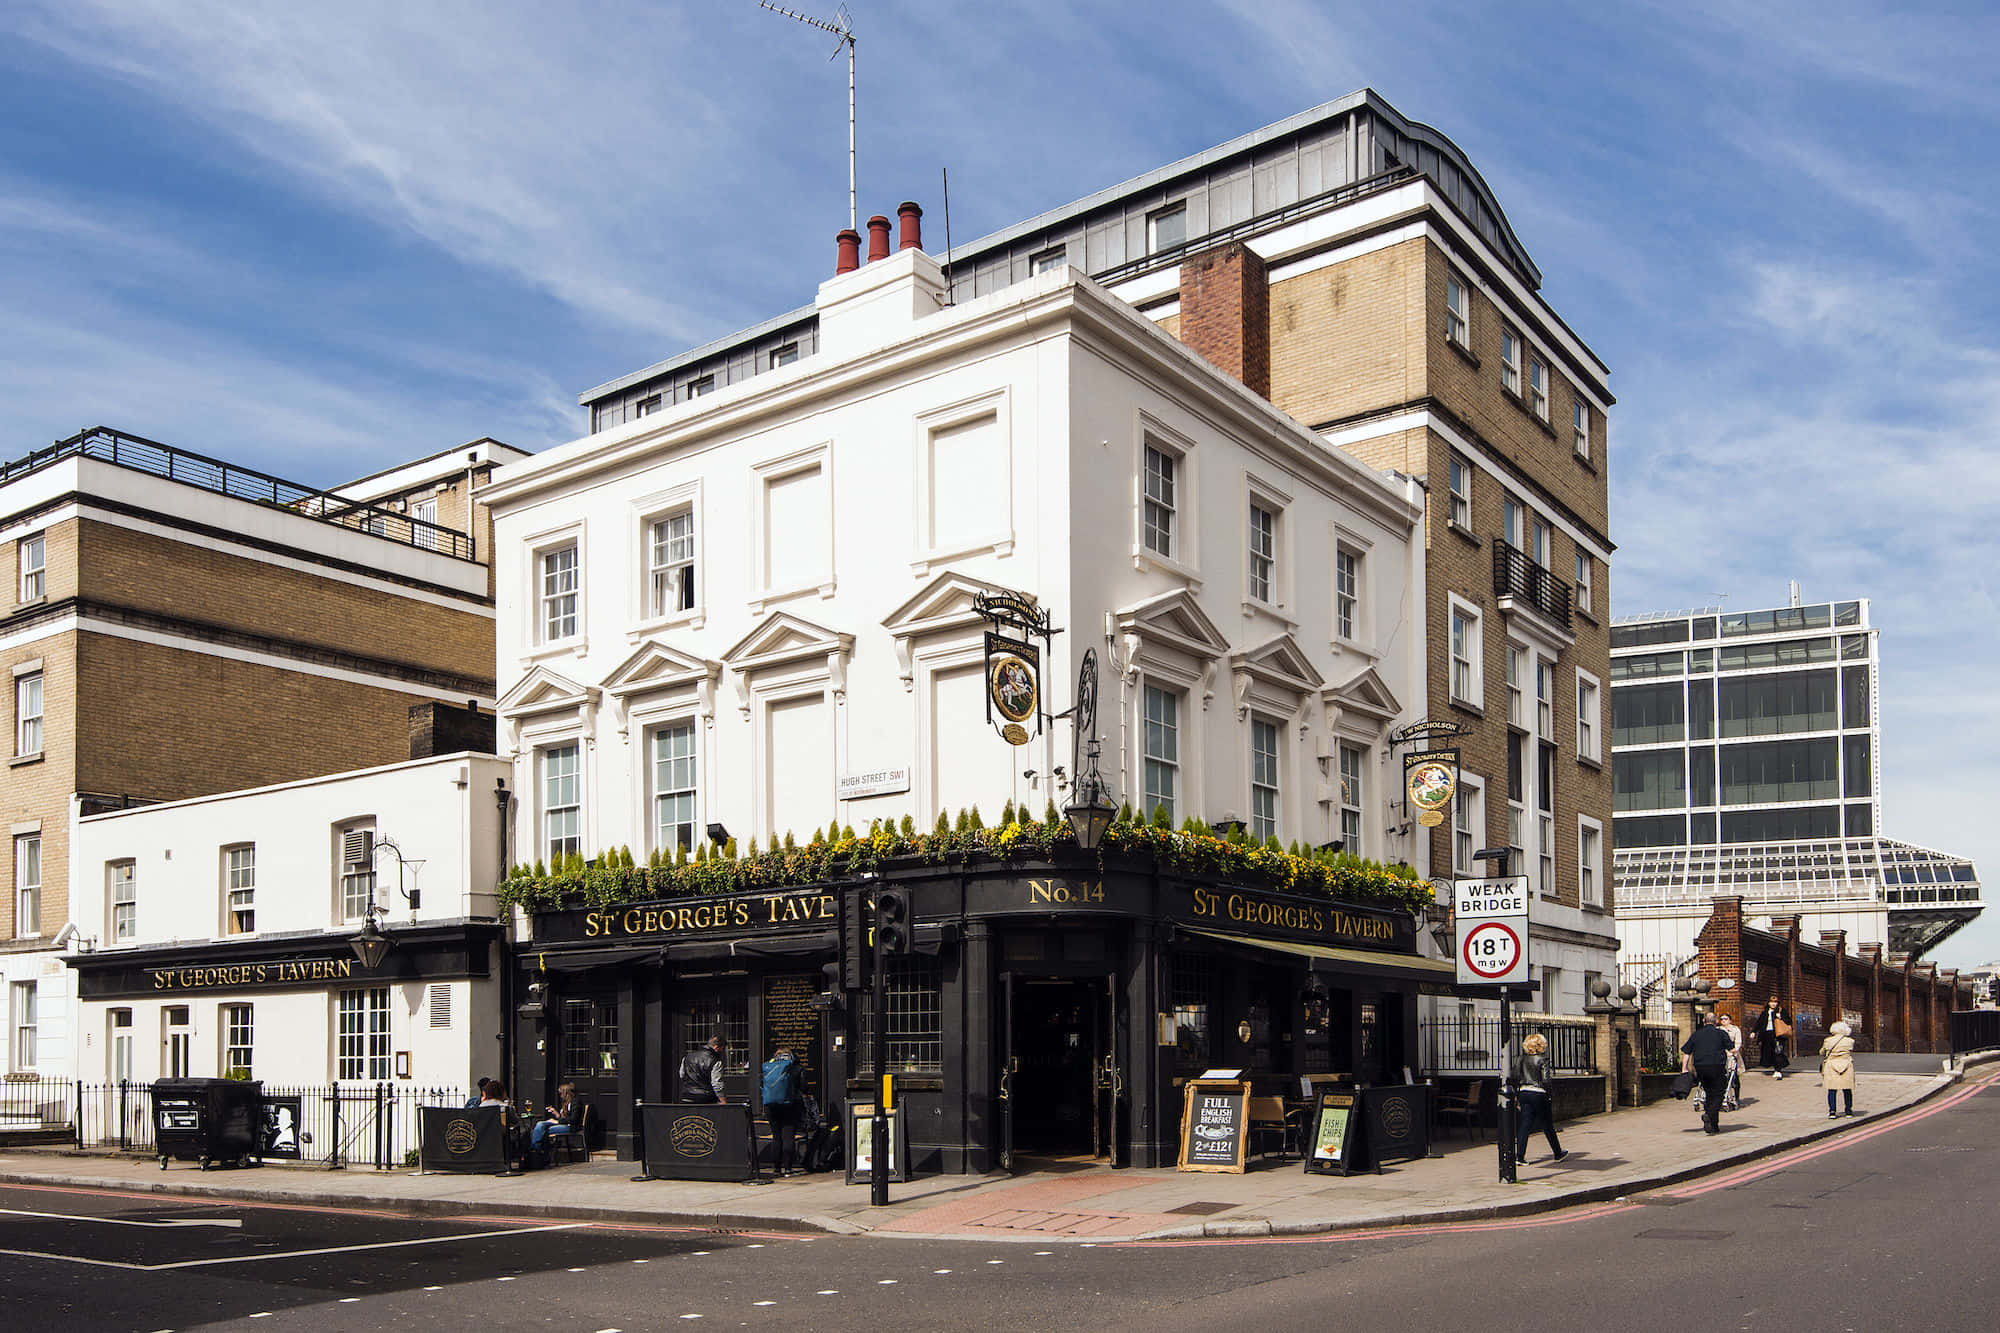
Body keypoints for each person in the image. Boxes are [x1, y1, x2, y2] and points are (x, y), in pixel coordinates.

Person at [1513, 1033, 1568, 1165]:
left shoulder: (1520, 1059)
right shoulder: (1543, 1059)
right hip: (1538, 1093)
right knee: (1547, 1124)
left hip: (1524, 1091)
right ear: (1541, 1045)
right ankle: (1558, 1153)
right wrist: (1549, 1095)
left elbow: (1514, 1076)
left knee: (1525, 1124)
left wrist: (1517, 1094)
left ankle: (1519, 1156)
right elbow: (1546, 1080)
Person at [1681, 1011, 1735, 1135]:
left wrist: (1684, 1068)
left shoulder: (1696, 1034)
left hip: (1700, 1067)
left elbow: (1686, 1052)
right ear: (1716, 1022)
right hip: (1717, 1066)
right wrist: (1734, 1052)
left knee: (1709, 1093)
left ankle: (1714, 1126)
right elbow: (1731, 1049)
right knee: (1719, 1094)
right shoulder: (1721, 1033)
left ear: (1704, 1021)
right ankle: (1709, 1115)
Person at [761, 1045, 804, 1176]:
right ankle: (788, 1168)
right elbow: (804, 1086)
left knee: (776, 1136)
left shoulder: (769, 1067)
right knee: (788, 1136)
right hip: (791, 1105)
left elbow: (761, 1085)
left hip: (771, 1106)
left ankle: (776, 1168)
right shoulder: (796, 1068)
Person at [531, 1081, 584, 1156]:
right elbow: (564, 1118)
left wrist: (558, 1121)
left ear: (565, 1093)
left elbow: (574, 1120)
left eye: (560, 1093)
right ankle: (537, 1151)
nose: (560, 1096)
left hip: (571, 1127)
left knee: (543, 1130)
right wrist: (556, 1114)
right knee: (540, 1125)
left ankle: (536, 1152)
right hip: (564, 1124)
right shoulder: (566, 1103)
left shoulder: (576, 1102)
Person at [1820, 1020, 1857, 1118]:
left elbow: (1822, 1052)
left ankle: (1832, 1111)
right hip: (1846, 1065)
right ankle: (1848, 1111)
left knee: (1832, 1089)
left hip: (1831, 1065)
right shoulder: (1850, 1041)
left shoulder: (1828, 1040)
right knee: (1847, 1089)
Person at [679, 1032, 729, 1104]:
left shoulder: (687, 1057)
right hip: (706, 1097)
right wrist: (723, 1100)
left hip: (687, 1095)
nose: (722, 1051)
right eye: (722, 1049)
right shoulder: (715, 1060)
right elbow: (717, 1083)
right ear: (717, 1047)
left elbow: (682, 1075)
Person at [1752, 995, 1792, 1079]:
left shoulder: (1781, 1011)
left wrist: (1781, 1017)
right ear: (1768, 1003)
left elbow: (1789, 1021)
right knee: (1769, 1052)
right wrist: (1754, 1031)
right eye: (1771, 1002)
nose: (1773, 1004)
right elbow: (1759, 1023)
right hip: (1767, 1034)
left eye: (1775, 1002)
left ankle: (1778, 1070)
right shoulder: (1765, 1012)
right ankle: (1776, 1067)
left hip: (1777, 1035)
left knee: (1778, 1051)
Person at [1716, 1013, 1744, 1111]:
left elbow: (1738, 1043)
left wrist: (1732, 1051)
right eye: (1722, 1019)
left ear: (1730, 1020)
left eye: (1726, 1019)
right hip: (1721, 1055)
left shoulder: (1735, 1030)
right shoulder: (1718, 1030)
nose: (1724, 1021)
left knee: (1734, 1077)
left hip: (1732, 1055)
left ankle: (1736, 1097)